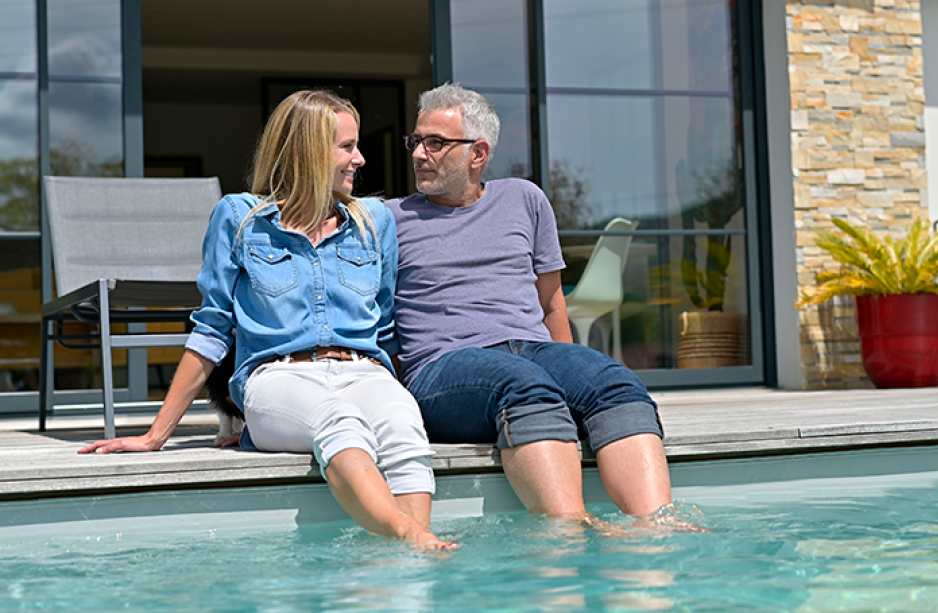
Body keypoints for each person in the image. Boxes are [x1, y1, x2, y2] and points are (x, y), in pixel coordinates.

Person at [80, 90, 452, 549]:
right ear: (309, 152)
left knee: (402, 427)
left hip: (365, 370)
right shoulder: (239, 217)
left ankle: (402, 563)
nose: (360, 158)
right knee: (339, 422)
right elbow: (213, 328)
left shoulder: (374, 220)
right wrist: (157, 435)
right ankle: (410, 534)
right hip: (278, 377)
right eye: (346, 147)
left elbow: (387, 326)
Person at [386, 83, 676, 525]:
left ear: (477, 154)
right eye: (416, 140)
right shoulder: (389, 220)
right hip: (444, 368)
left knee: (614, 381)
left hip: (531, 350)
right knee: (523, 384)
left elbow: (552, 304)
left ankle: (657, 529)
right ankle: (570, 532)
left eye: (436, 143)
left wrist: (571, 370)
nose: (418, 154)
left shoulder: (524, 199)